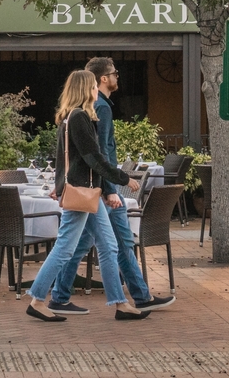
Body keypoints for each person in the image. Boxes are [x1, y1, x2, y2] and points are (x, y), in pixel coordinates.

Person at [47, 57, 175, 315]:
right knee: (119, 243)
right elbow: (98, 153)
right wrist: (110, 190)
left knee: (85, 244)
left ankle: (60, 297)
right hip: (102, 189)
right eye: (114, 73)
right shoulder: (98, 109)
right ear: (102, 79)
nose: (118, 77)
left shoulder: (86, 111)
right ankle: (137, 297)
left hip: (97, 188)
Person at [26, 70, 145, 322]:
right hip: (83, 193)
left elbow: (65, 159)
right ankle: (37, 299)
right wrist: (123, 178)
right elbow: (94, 158)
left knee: (108, 246)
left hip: (89, 193)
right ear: (85, 90)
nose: (95, 91)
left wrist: (60, 184)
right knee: (65, 248)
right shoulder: (79, 117)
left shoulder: (72, 117)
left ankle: (120, 303)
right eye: (92, 86)